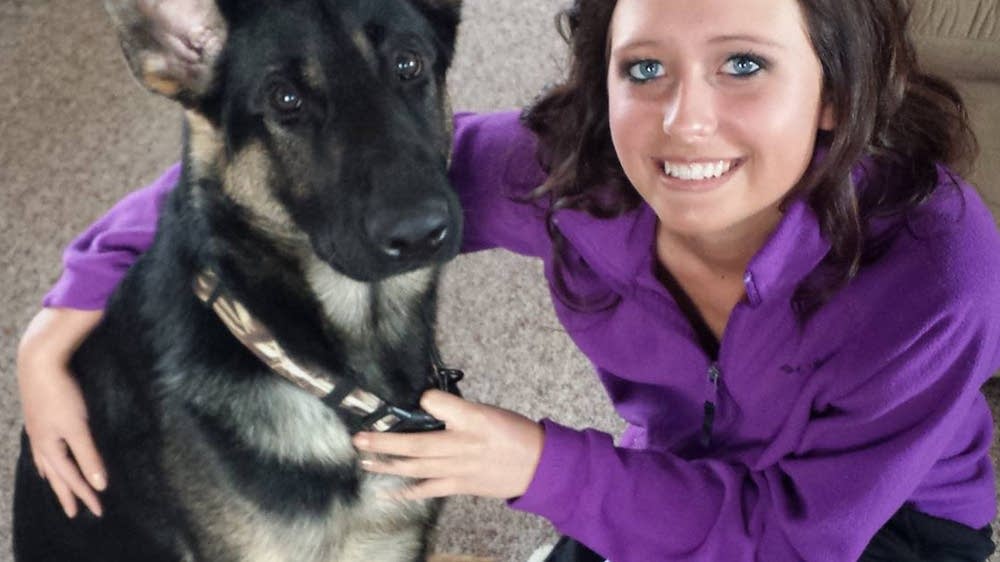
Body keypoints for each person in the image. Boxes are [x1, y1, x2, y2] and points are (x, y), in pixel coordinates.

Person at [16, 0, 1000, 560]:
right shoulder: (575, 179)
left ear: (833, 90)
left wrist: (539, 468)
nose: (683, 123)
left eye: (743, 64)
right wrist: (62, 312)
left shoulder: (936, 268)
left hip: (881, 529)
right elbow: (256, 185)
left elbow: (791, 538)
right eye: (644, 69)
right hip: (669, 476)